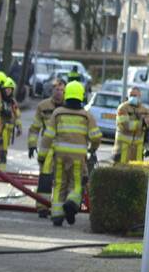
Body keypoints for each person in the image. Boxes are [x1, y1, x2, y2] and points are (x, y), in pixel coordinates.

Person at [40, 81, 102, 226]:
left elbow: (47, 136)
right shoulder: (86, 116)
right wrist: (93, 148)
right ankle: (71, 203)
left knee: (60, 184)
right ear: (81, 95)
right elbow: (96, 136)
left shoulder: (57, 113)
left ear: (66, 94)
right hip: (78, 157)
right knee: (76, 184)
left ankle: (56, 215)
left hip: (60, 155)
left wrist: (42, 156)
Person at [28, 78, 66, 215]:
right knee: (45, 179)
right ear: (52, 90)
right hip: (48, 148)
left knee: (61, 180)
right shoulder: (43, 106)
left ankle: (57, 207)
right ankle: (42, 207)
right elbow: (35, 128)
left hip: (64, 149)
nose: (59, 93)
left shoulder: (69, 106)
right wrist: (32, 144)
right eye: (57, 89)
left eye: (62, 90)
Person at [114, 87, 149, 164]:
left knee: (138, 172)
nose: (133, 97)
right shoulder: (122, 108)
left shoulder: (145, 110)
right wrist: (142, 123)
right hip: (123, 147)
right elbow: (125, 125)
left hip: (138, 149)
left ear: (140, 96)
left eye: (135, 95)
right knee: (121, 171)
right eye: (131, 95)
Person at [0, 77, 20, 170]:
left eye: (10, 89)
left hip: (9, 130)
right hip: (1, 129)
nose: (8, 91)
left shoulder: (12, 101)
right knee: (1, 151)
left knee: (3, 151)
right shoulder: (0, 100)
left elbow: (17, 114)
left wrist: (19, 127)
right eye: (6, 89)